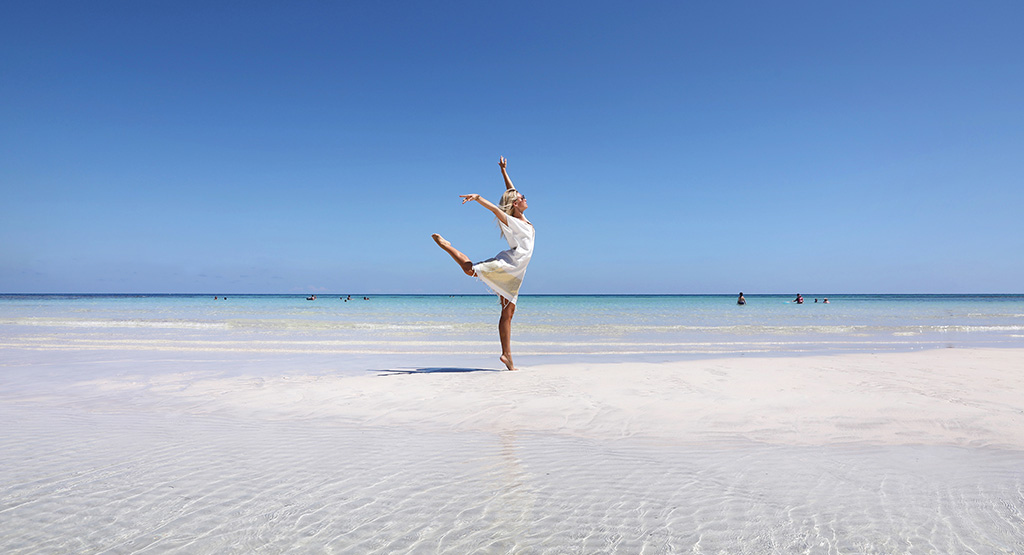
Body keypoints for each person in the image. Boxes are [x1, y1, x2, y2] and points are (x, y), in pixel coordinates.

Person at [432, 156, 535, 371]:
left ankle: (507, 356)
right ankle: (447, 247)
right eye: (522, 197)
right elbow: (497, 210)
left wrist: (503, 171)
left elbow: (511, 191)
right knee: (470, 270)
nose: (525, 198)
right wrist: (479, 198)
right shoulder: (513, 221)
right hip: (510, 264)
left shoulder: (521, 219)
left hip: (518, 271)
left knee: (508, 313)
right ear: (516, 204)